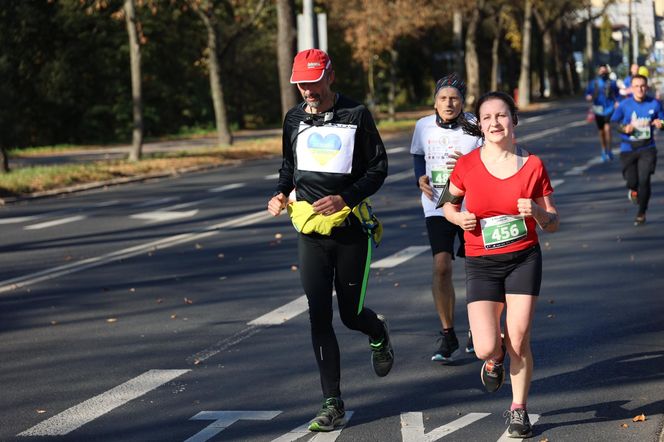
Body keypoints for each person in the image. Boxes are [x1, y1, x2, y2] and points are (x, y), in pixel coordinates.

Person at [267, 48, 393, 432]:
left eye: (314, 82)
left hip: (350, 229)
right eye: (301, 84)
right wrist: (280, 193)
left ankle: (377, 332)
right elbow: (289, 166)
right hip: (310, 232)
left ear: (330, 76)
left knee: (350, 314)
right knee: (318, 315)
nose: (308, 90)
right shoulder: (293, 119)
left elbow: (378, 167)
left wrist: (346, 198)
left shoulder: (356, 115)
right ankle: (332, 401)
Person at [441, 91, 559, 438]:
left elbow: (553, 220)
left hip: (523, 258)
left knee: (519, 340)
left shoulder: (533, 165)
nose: (495, 122)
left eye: (502, 115)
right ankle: (495, 360)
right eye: (487, 117)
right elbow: (447, 203)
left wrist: (536, 212)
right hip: (481, 262)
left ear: (514, 120)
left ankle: (518, 409)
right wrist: (457, 218)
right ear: (480, 125)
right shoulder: (467, 166)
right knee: (486, 347)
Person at [410, 73, 480, 362]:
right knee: (441, 266)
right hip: (438, 203)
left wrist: (468, 167)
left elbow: (491, 157)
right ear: (435, 101)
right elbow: (417, 156)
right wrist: (419, 179)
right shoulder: (423, 126)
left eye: (454, 98)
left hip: (471, 203)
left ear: (463, 101)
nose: (448, 103)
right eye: (443, 98)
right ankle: (448, 333)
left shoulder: (475, 125)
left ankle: (479, 328)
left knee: (475, 268)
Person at [610, 74, 662, 226]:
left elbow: (663, 120)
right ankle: (633, 190)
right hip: (628, 148)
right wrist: (624, 128)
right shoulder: (625, 105)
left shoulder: (655, 104)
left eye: (642, 86)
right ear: (632, 88)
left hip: (647, 148)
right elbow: (614, 121)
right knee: (632, 181)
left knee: (645, 180)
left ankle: (641, 212)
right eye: (636, 86)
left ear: (647, 87)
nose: (640, 89)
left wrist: (661, 123)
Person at [585, 64, 620, 162]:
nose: (603, 73)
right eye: (601, 71)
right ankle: (603, 149)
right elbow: (588, 93)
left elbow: (616, 94)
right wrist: (588, 96)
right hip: (598, 109)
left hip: (609, 108)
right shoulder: (594, 82)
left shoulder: (612, 83)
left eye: (605, 71)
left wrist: (617, 101)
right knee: (601, 131)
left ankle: (609, 150)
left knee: (607, 128)